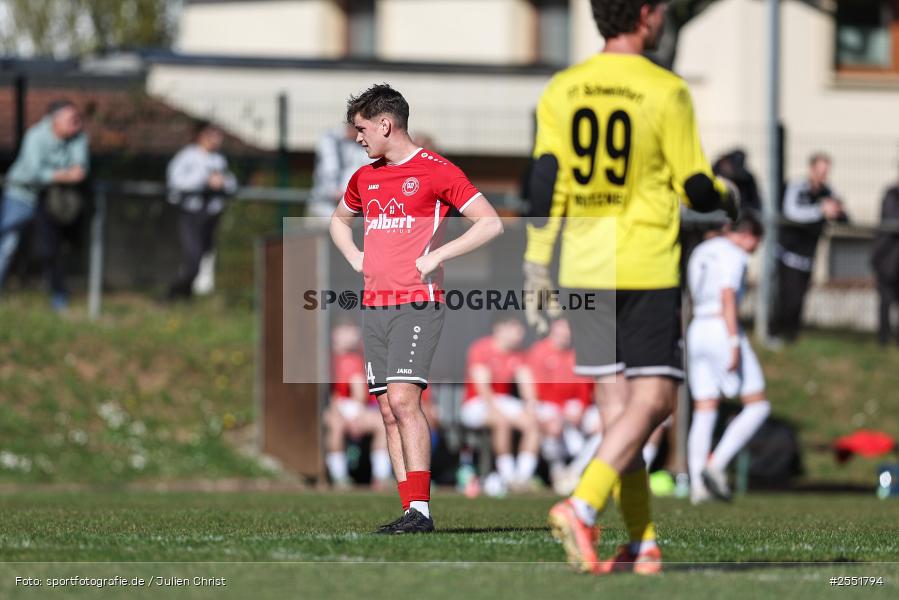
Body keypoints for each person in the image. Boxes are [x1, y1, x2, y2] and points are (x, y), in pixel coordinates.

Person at [523, 0, 739, 574]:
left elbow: (546, 187)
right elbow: (695, 185)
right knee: (656, 400)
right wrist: (729, 195)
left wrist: (536, 264)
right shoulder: (665, 89)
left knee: (621, 414)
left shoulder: (563, 89)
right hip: (642, 264)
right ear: (645, 14)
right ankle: (583, 503)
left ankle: (642, 545)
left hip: (583, 267)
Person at [330, 83, 503, 534]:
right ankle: (411, 511)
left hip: (418, 304)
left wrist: (439, 257)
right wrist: (355, 258)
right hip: (374, 306)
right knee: (387, 410)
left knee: (406, 400)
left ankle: (422, 511)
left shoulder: (436, 170)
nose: (358, 138)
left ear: (386, 124)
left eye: (362, 128)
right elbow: (338, 222)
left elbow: (490, 223)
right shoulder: (365, 177)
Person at [686, 214, 770, 504]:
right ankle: (716, 464)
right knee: (758, 405)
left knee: (704, 408)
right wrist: (734, 341)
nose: (755, 248)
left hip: (697, 327)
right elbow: (727, 296)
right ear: (748, 234)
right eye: (756, 242)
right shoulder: (733, 254)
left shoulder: (701, 250)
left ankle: (697, 486)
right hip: (722, 328)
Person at [0, 100, 88, 310]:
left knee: (52, 251)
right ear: (55, 121)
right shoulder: (36, 136)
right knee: (7, 245)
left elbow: (80, 171)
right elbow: (32, 173)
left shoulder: (79, 137)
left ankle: (59, 300)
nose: (77, 123)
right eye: (71, 119)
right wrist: (63, 174)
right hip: (21, 196)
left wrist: (53, 176)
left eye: (78, 119)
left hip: (51, 202)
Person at [771, 152, 847, 343]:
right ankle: (775, 334)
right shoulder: (796, 187)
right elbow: (791, 212)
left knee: (798, 300)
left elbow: (841, 214)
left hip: (808, 254)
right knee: (785, 298)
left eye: (826, 172)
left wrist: (838, 211)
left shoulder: (828, 191)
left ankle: (791, 337)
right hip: (788, 254)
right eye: (820, 171)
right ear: (811, 169)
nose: (823, 176)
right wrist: (820, 210)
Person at [460, 315, 541, 490]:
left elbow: (526, 384)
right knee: (501, 421)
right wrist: (495, 410)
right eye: (515, 329)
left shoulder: (519, 355)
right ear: (500, 329)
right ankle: (508, 475)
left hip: (502, 401)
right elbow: (483, 388)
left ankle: (522, 478)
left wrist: (531, 405)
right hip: (476, 403)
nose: (520, 334)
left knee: (532, 423)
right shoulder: (481, 349)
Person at [166, 120, 237, 300]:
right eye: (214, 134)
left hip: (211, 213)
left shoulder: (219, 159)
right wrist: (205, 180)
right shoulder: (187, 156)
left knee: (205, 255)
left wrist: (223, 183)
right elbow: (176, 182)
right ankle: (174, 293)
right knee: (194, 256)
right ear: (202, 136)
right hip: (191, 213)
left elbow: (231, 183)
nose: (218, 139)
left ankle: (185, 296)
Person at [325, 319, 393, 489]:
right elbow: (329, 395)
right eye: (346, 329)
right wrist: (341, 414)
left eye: (354, 329)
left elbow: (359, 394)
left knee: (383, 423)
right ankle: (339, 477)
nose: (353, 334)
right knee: (335, 426)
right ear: (335, 334)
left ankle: (381, 477)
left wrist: (357, 415)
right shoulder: (326, 359)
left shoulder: (358, 357)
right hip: (335, 409)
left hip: (356, 409)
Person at [526, 318, 594, 484]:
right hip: (547, 406)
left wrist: (581, 409)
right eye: (561, 330)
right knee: (552, 424)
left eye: (568, 330)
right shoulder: (539, 352)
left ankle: (576, 470)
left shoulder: (579, 354)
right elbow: (537, 389)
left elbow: (586, 389)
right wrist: (560, 411)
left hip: (573, 408)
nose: (565, 334)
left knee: (604, 425)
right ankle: (557, 470)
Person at [308, 124, 372, 218]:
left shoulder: (358, 146)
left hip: (347, 209)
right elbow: (330, 167)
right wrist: (336, 190)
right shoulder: (331, 138)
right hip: (324, 207)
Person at [871, 177, 899, 346]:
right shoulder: (891, 194)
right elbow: (891, 220)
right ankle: (883, 339)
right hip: (887, 258)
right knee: (885, 300)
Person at [713, 149, 761, 215]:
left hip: (741, 218)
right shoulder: (713, 176)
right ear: (724, 162)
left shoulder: (746, 178)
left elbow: (756, 205)